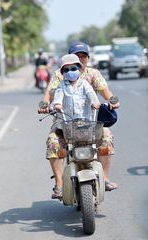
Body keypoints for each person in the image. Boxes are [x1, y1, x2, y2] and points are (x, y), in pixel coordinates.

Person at [38, 41, 120, 199]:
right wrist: (46, 105)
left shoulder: (93, 74)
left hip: (90, 122)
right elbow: (50, 94)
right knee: (53, 142)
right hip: (65, 123)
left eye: (84, 56)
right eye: (77, 56)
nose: (81, 59)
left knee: (107, 136)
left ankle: (105, 177)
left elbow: (105, 92)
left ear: (88, 58)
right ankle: (59, 184)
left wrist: (112, 101)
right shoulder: (59, 76)